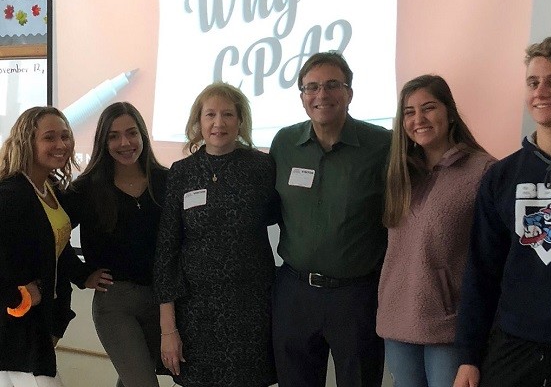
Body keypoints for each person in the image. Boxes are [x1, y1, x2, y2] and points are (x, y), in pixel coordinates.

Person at [453, 37, 551, 387]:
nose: (541, 91)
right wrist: (468, 358)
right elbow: (482, 272)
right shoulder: (501, 177)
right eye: (533, 82)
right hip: (513, 348)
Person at [270, 51, 391, 386]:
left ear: (349, 92)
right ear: (302, 97)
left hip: (356, 296)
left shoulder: (382, 145)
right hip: (295, 293)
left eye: (332, 85)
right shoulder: (284, 143)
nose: (321, 95)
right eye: (312, 87)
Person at [154, 82, 278, 387]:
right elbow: (166, 252)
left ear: (240, 121)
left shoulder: (263, 167)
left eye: (228, 114)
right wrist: (168, 329)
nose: (218, 123)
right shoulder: (181, 173)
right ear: (198, 121)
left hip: (252, 310)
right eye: (210, 114)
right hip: (196, 314)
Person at [376, 75, 495, 387]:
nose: (419, 119)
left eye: (428, 108)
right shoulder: (400, 172)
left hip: (449, 326)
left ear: (449, 112)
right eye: (409, 112)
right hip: (397, 321)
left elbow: (493, 256)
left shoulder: (483, 171)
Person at [61, 102, 169, 387]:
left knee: (133, 378)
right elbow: (52, 235)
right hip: (115, 303)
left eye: (132, 133)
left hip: (162, 302)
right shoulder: (86, 188)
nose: (125, 143)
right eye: (113, 136)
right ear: (103, 142)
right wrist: (81, 274)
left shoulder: (166, 180)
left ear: (143, 135)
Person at [0, 106, 86, 387]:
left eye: (65, 136)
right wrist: (18, 297)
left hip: (40, 325)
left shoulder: (50, 189)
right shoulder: (10, 195)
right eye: (50, 137)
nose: (61, 145)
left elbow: (55, 248)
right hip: (14, 331)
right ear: (28, 142)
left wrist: (85, 275)